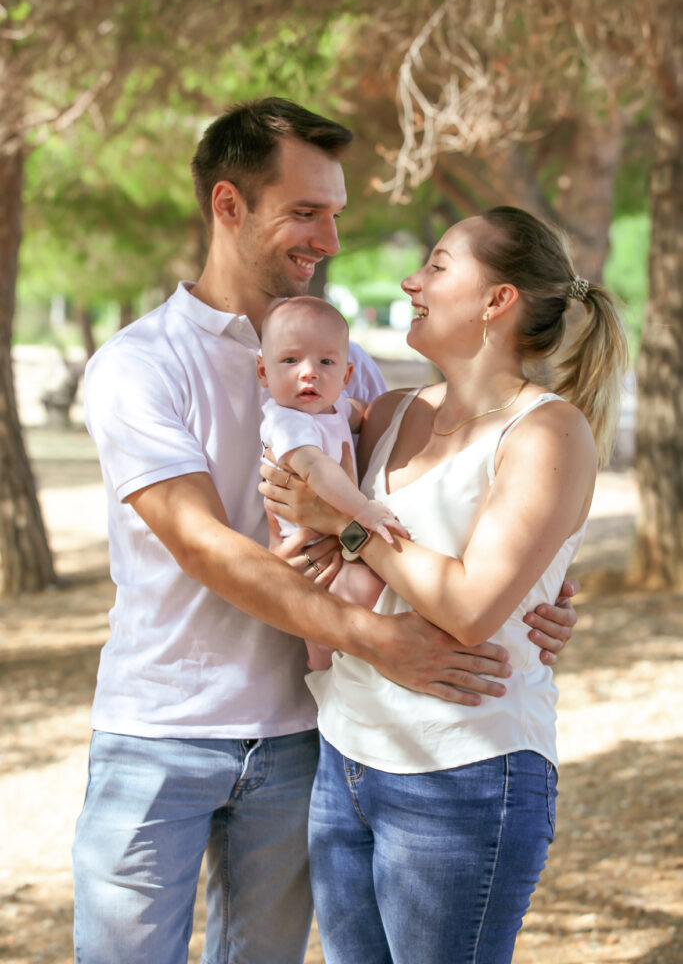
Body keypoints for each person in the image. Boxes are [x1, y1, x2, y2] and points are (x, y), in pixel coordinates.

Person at [72, 97, 578, 964]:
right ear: (229, 206)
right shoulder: (138, 365)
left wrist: (543, 590)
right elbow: (201, 544)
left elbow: (445, 515)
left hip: (309, 739)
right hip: (162, 730)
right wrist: (374, 635)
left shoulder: (355, 365)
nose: (330, 240)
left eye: (336, 214)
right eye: (306, 212)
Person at [261, 206, 628, 964]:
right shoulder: (389, 413)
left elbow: (467, 606)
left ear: (497, 302)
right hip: (346, 754)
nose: (410, 280)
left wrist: (346, 525)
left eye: (436, 265)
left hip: (463, 771)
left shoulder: (547, 432)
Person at [257, 295, 402, 667]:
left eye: (326, 362)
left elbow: (358, 415)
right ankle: (321, 662)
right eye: (290, 360)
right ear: (263, 372)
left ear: (347, 376)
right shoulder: (287, 421)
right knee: (359, 593)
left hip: (335, 544)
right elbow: (316, 470)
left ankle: (323, 660)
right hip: (312, 551)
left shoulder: (331, 409)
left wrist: (363, 412)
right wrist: (364, 511)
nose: (309, 372)